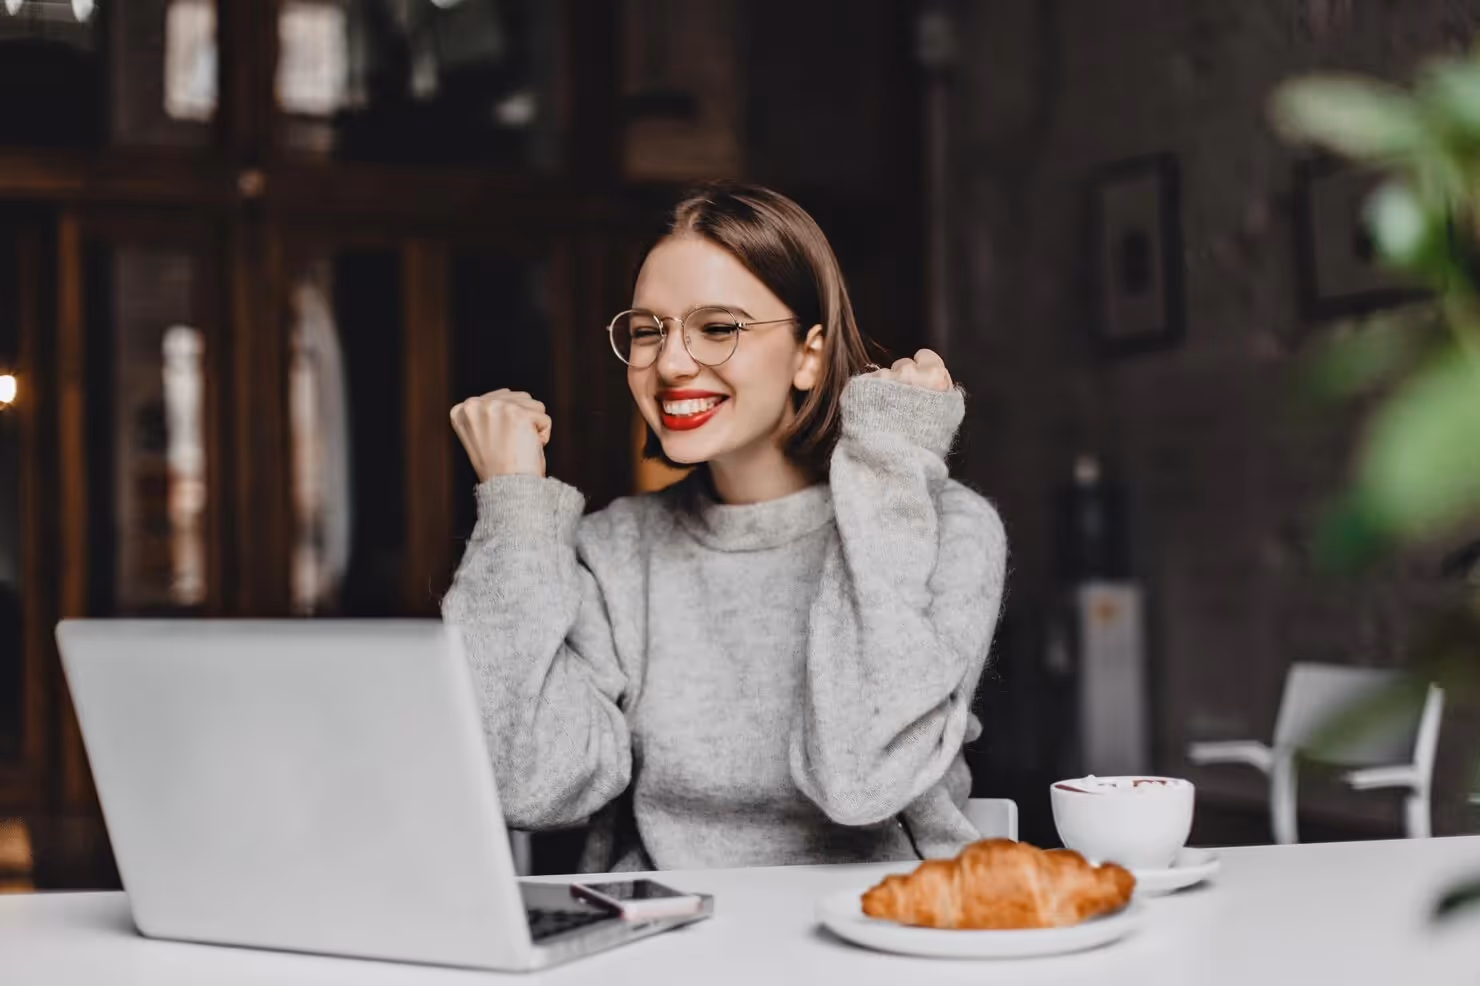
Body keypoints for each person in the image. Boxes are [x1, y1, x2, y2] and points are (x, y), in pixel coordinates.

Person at [443, 181, 1007, 872]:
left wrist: (888, 469)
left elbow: (861, 780)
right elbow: (527, 784)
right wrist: (514, 506)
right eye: (649, 331)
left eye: (718, 328)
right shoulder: (615, 550)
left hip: (887, 937)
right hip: (664, 946)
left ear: (810, 353)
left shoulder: (948, 529)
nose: (672, 363)